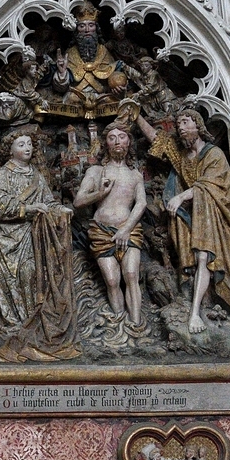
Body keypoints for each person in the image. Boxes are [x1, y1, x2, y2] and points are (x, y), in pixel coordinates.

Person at [138, 107, 230, 332]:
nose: (181, 127)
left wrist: (180, 196)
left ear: (198, 125)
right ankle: (198, 310)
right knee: (201, 258)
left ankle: (228, 308)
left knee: (214, 259)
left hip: (217, 216)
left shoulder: (214, 154)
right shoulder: (183, 157)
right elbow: (158, 140)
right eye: (179, 124)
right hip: (195, 216)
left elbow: (210, 184)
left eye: (186, 122)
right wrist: (135, 115)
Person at [0, 126, 81, 362]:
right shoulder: (3, 174)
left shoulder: (37, 175)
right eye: (21, 144)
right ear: (10, 150)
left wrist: (60, 210)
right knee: (8, 280)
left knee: (31, 274)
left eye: (29, 144)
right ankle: (11, 324)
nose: (26, 148)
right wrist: (27, 208)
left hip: (30, 236)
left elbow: (48, 201)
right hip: (4, 237)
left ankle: (30, 323)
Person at [73, 121, 149, 325]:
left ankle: (136, 326)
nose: (117, 142)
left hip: (129, 230)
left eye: (122, 137)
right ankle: (120, 324)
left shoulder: (135, 175)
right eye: (112, 138)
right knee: (112, 280)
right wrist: (100, 193)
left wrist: (126, 229)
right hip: (102, 232)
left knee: (131, 274)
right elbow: (78, 201)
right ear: (105, 143)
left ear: (128, 142)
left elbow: (141, 203)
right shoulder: (96, 171)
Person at [52, 1, 127, 107]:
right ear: (77, 31)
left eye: (91, 25)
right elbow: (60, 88)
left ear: (96, 28)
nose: (87, 30)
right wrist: (62, 73)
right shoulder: (70, 53)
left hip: (101, 98)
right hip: (76, 98)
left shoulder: (104, 52)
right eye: (82, 26)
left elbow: (114, 78)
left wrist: (118, 88)